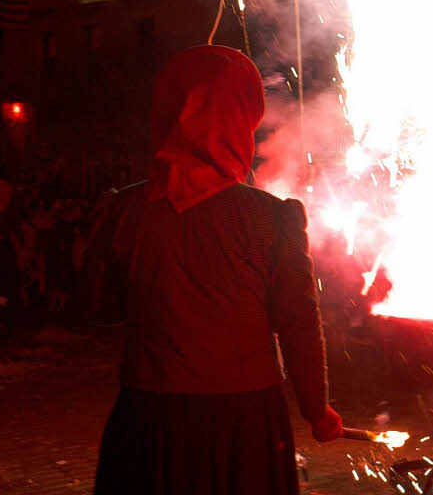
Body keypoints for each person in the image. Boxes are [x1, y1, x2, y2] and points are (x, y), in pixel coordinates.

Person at [88, 46, 342, 495]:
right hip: (242, 421)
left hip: (149, 418)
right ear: (243, 117)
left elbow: (98, 309)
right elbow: (298, 322)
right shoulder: (272, 216)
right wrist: (315, 410)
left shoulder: (122, 209)